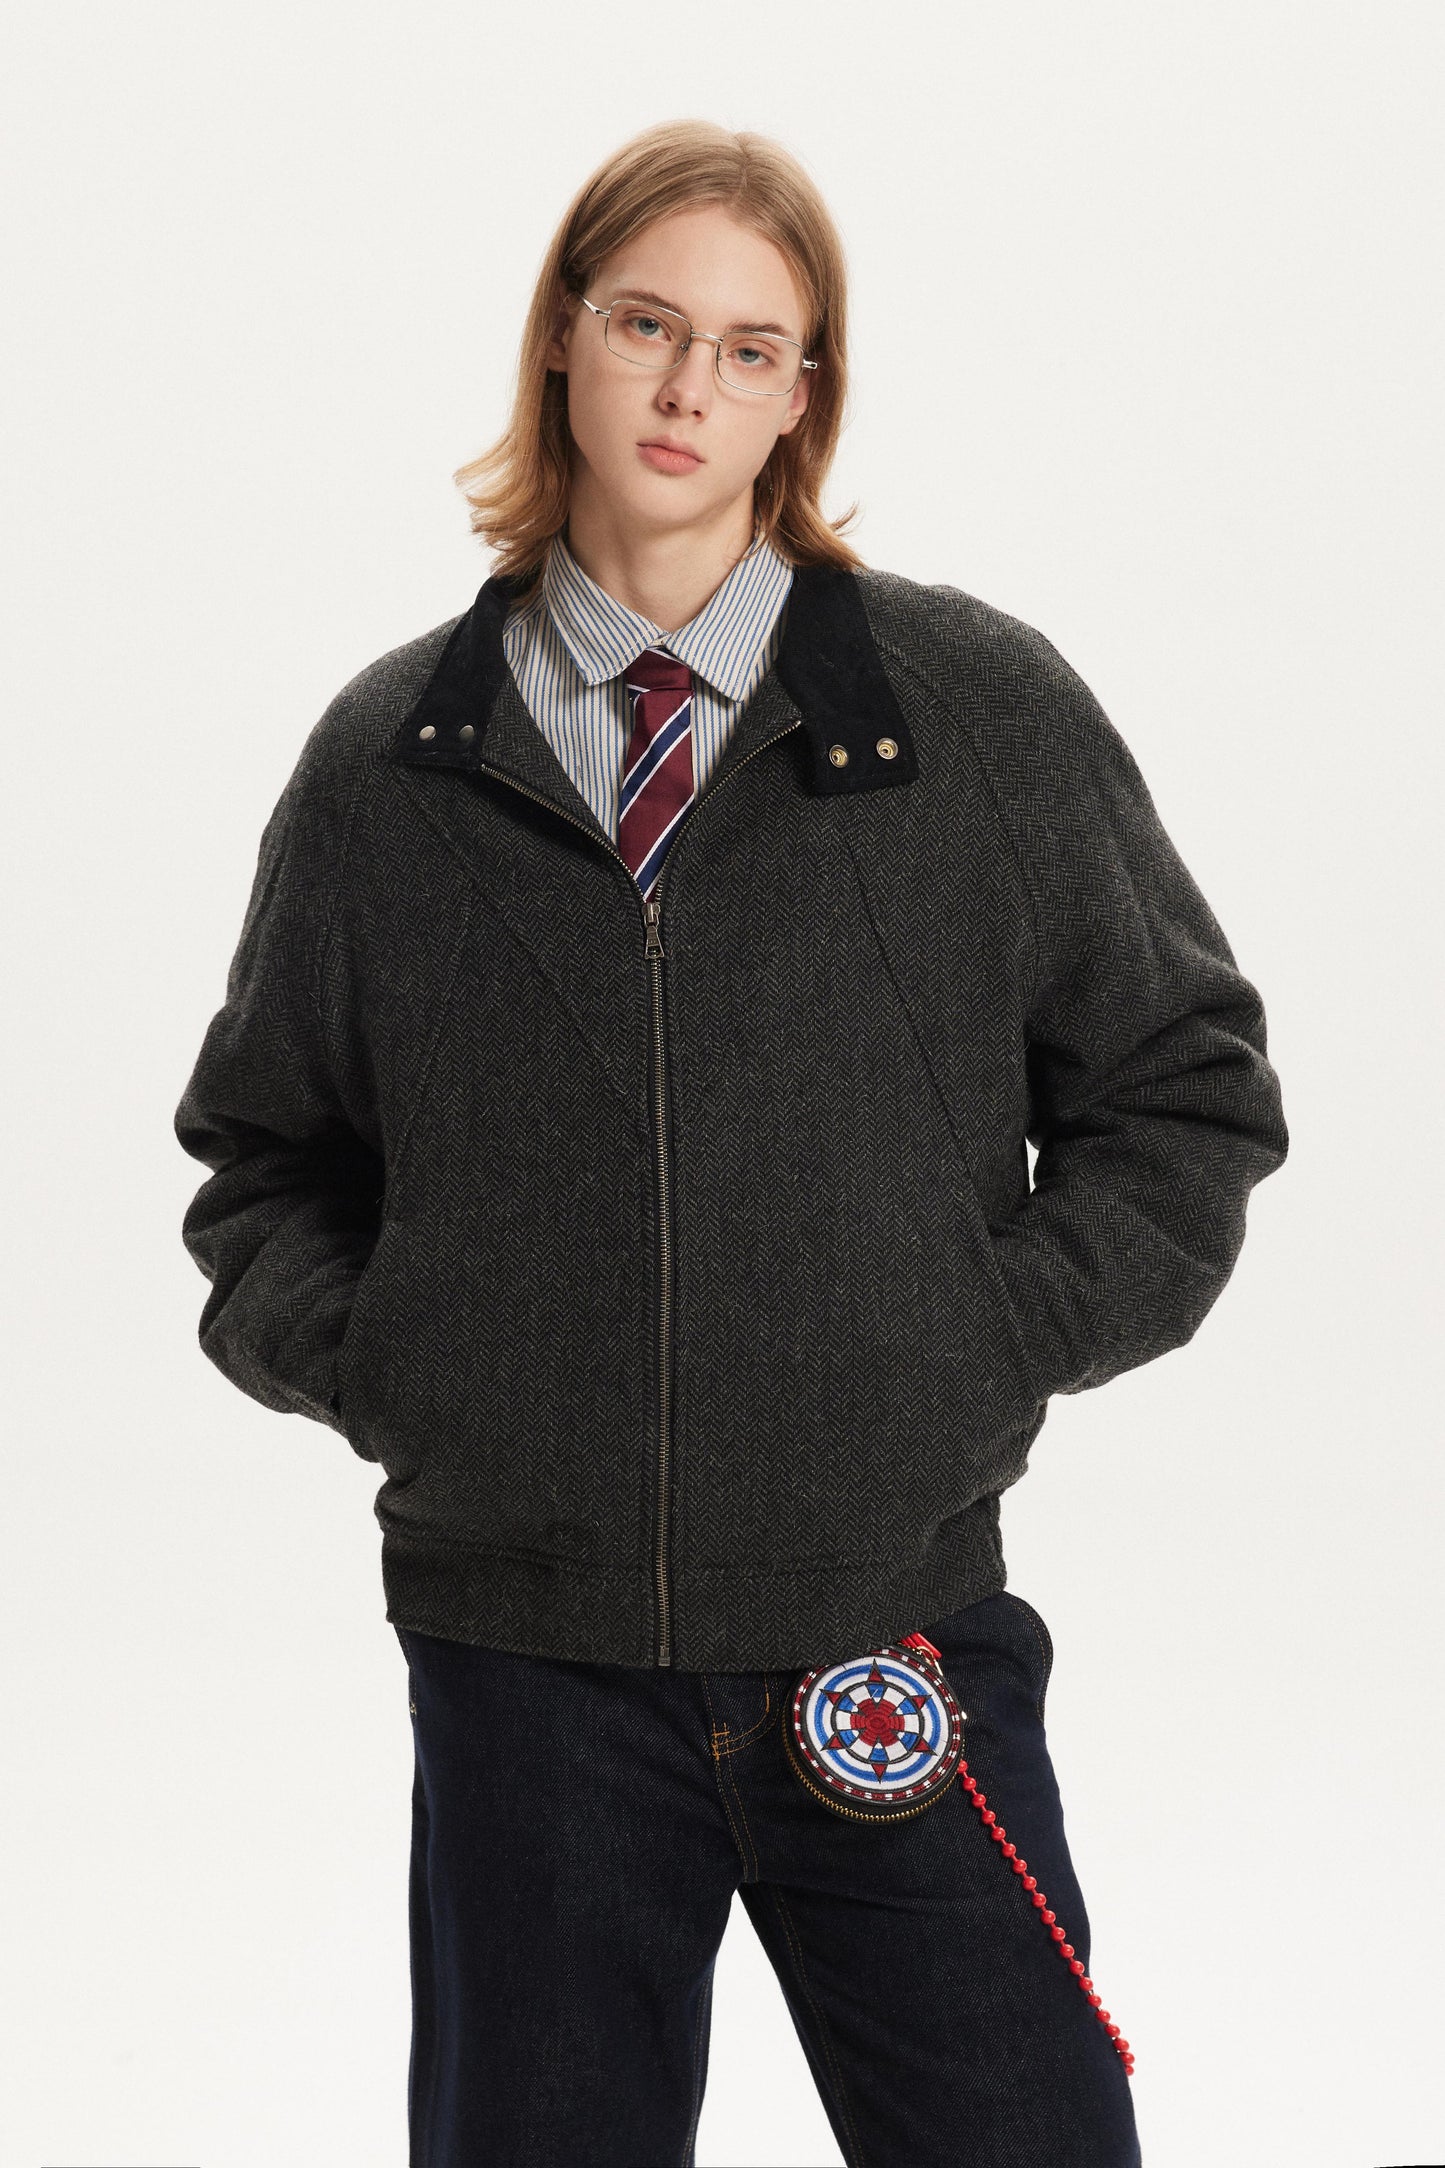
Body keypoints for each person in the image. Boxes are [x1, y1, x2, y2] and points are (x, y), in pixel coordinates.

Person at [173, 118, 1288, 2168]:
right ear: (562, 340)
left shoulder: (972, 711)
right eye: (647, 325)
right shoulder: (392, 763)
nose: (689, 386)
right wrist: (416, 1372)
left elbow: (1184, 1090)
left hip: (888, 1630)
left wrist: (971, 1342)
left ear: (802, 397)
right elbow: (263, 1163)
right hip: (527, 1663)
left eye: (750, 349)